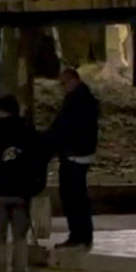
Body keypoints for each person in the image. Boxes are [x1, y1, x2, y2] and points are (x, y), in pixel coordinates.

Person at [0, 95, 41, 272]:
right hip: (21, 191)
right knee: (20, 237)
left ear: (0, 111)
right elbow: (37, 160)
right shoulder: (28, 131)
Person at [46, 68, 99, 250]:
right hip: (81, 153)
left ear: (73, 80)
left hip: (74, 155)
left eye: (63, 83)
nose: (62, 88)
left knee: (72, 197)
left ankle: (78, 236)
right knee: (78, 197)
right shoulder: (85, 98)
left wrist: (50, 146)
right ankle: (83, 235)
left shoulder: (76, 101)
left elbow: (63, 128)